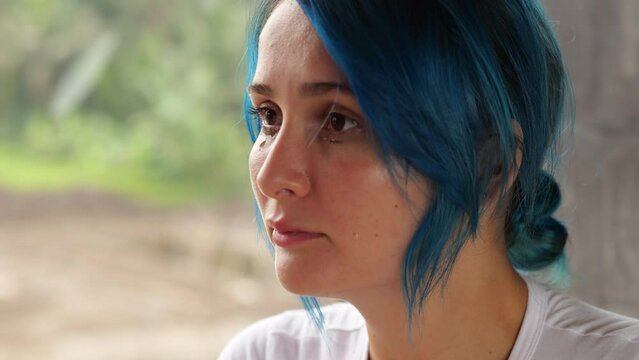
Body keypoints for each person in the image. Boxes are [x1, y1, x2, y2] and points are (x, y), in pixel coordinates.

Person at [219, 0, 639, 359]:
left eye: (339, 121)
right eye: (269, 116)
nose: (273, 176)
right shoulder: (267, 352)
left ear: (489, 163)